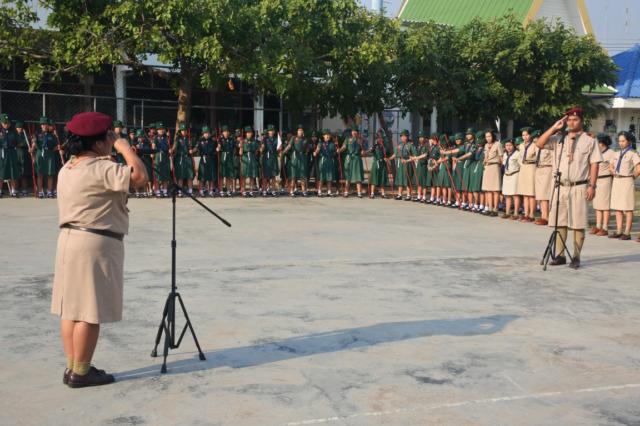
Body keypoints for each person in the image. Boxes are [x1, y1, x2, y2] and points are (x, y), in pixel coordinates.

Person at [52, 111, 147, 388]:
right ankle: (81, 373)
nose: (111, 140)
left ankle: (73, 366)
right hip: (94, 243)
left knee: (71, 309)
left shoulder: (68, 167)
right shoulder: (100, 168)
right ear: (97, 143)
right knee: (89, 311)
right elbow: (139, 176)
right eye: (108, 137)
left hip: (69, 240)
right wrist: (124, 147)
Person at [536, 107, 601, 269]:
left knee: (578, 223)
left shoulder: (589, 140)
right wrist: (554, 127)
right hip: (560, 186)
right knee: (560, 221)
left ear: (581, 121)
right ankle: (560, 255)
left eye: (575, 120)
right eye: (569, 120)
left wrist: (592, 186)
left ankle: (576, 256)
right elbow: (539, 143)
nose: (571, 122)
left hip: (579, 185)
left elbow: (594, 164)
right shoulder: (559, 138)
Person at [608, 131, 640, 240]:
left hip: (627, 181)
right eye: (619, 141)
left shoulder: (633, 153)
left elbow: (638, 169)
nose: (621, 143)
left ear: (629, 141)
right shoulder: (616, 153)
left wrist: (632, 177)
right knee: (618, 207)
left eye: (623, 141)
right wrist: (612, 170)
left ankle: (627, 232)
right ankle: (619, 231)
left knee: (628, 207)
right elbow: (611, 165)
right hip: (617, 180)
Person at [590, 133, 616, 236]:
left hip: (606, 180)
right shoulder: (596, 153)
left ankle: (605, 227)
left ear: (603, 143)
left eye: (598, 143)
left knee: (605, 205)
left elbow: (613, 167)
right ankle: (598, 226)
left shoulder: (611, 153)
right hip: (596, 181)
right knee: (597, 205)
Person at [31, 116, 59, 198]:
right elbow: (34, 144)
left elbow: (56, 145)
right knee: (40, 173)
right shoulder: (37, 134)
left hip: (49, 154)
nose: (44, 126)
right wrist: (32, 149)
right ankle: (40, 191)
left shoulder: (52, 135)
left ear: (48, 125)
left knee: (50, 173)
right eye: (42, 124)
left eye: (45, 124)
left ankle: (49, 191)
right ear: (40, 125)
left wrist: (56, 147)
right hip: (40, 153)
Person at [517, 127, 537, 222]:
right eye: (523, 135)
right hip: (523, 168)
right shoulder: (521, 145)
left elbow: (537, 157)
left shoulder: (535, 145)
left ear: (530, 135)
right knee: (525, 193)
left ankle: (532, 214)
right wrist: (521, 164)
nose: (525, 137)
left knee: (531, 193)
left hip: (531, 167)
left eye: (527, 135)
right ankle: (526, 213)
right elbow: (520, 157)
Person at [481, 129, 503, 216]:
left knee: (495, 190)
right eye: (486, 137)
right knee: (488, 190)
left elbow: (501, 157)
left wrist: (501, 167)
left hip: (495, 167)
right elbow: (485, 156)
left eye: (489, 136)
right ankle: (490, 208)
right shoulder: (486, 145)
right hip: (487, 167)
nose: (488, 138)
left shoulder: (498, 144)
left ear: (493, 136)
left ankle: (495, 209)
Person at [171, 123, 196, 196]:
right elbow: (174, 147)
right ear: (180, 131)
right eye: (182, 130)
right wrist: (172, 150)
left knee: (189, 175)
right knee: (180, 176)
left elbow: (196, 147)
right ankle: (180, 191)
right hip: (180, 158)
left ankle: (190, 191)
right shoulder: (178, 139)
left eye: (185, 130)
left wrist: (192, 150)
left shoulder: (189, 138)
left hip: (188, 158)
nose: (184, 132)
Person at [389, 129, 414, 201]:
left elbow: (414, 156)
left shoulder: (410, 145)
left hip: (407, 164)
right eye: (402, 136)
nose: (403, 137)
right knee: (400, 178)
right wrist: (389, 159)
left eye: (404, 136)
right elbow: (395, 154)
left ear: (407, 136)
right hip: (400, 164)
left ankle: (408, 195)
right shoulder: (399, 145)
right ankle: (399, 194)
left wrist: (407, 160)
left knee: (407, 179)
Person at [283, 124, 308, 197]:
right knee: (293, 175)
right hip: (295, 157)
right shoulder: (293, 138)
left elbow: (307, 149)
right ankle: (291, 190)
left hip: (302, 158)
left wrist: (306, 152)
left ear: (303, 131)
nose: (300, 131)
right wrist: (284, 151)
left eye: (301, 130)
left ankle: (303, 191)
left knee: (303, 175)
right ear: (297, 131)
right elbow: (289, 146)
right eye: (299, 130)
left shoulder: (305, 139)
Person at [340, 127, 365, 198]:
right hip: (349, 159)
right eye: (353, 131)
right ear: (351, 132)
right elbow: (344, 147)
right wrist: (339, 150)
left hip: (357, 159)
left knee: (358, 176)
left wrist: (363, 152)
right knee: (348, 175)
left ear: (357, 132)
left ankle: (359, 192)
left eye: (355, 131)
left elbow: (362, 149)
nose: (354, 132)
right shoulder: (347, 139)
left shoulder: (360, 140)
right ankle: (346, 192)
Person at [0, 114, 20, 197]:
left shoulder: (13, 132)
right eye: (4, 123)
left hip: (12, 152)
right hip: (2, 153)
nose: (6, 124)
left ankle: (13, 190)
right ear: (1, 123)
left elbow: (18, 142)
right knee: (1, 171)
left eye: (8, 123)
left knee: (13, 171)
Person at [194, 126, 216, 197]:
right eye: (205, 133)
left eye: (208, 133)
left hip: (211, 158)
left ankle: (211, 190)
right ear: (203, 134)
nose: (206, 134)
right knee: (202, 175)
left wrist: (218, 148)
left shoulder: (213, 141)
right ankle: (201, 190)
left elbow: (216, 149)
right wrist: (192, 150)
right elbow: (196, 148)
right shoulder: (200, 141)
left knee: (211, 175)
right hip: (203, 159)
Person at [501, 138, 521, 219]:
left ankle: (516, 213)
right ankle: (507, 212)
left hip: (514, 175)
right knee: (507, 195)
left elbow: (521, 165)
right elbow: (503, 164)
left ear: (513, 146)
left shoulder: (517, 153)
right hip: (506, 175)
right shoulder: (505, 154)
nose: (508, 147)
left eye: (510, 145)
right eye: (506, 145)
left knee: (515, 195)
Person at [240, 126, 260, 197]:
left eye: (250, 133)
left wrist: (254, 153)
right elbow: (240, 153)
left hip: (252, 157)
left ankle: (251, 190)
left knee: (252, 175)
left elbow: (257, 150)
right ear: (246, 134)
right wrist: (241, 147)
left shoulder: (254, 141)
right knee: (244, 175)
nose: (249, 134)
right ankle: (243, 190)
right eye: (248, 133)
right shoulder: (243, 141)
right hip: (245, 158)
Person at [368, 132, 389, 199]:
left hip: (383, 163)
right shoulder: (375, 146)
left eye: (381, 138)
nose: (380, 139)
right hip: (376, 163)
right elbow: (370, 151)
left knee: (382, 178)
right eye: (378, 138)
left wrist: (386, 158)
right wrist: (369, 150)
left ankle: (383, 193)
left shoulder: (385, 146)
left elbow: (388, 154)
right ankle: (372, 193)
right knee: (374, 178)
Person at [260, 125, 280, 196]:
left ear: (274, 132)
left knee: (273, 175)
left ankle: (273, 190)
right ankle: (264, 190)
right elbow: (261, 150)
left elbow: (278, 149)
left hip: (273, 157)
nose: (271, 132)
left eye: (272, 131)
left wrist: (280, 149)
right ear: (268, 132)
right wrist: (262, 148)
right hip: (266, 158)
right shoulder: (265, 139)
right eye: (270, 131)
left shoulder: (276, 139)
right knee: (265, 175)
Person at [152, 123, 171, 197]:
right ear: (157, 130)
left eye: (162, 129)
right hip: (158, 156)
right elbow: (153, 146)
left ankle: (165, 191)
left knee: (165, 174)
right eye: (160, 129)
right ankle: (157, 191)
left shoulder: (167, 138)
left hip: (165, 157)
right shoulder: (155, 138)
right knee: (157, 175)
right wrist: (152, 152)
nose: (161, 131)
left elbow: (169, 146)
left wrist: (170, 150)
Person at [219, 125, 237, 196]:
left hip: (229, 157)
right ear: (222, 133)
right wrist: (218, 147)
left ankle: (228, 190)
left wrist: (240, 145)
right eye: (224, 132)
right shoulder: (220, 139)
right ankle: (221, 190)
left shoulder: (231, 139)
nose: (226, 133)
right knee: (222, 174)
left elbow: (236, 145)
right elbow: (218, 146)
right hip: (223, 156)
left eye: (227, 131)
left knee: (228, 175)